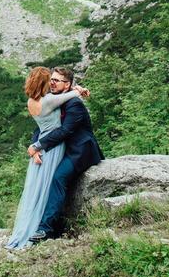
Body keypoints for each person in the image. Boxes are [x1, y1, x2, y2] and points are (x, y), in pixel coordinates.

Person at [6, 66, 85, 250]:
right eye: (49, 80)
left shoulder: (31, 101)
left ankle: (29, 228)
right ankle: (40, 229)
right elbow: (71, 96)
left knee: (36, 189)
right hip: (52, 148)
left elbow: (40, 128)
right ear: (43, 83)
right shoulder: (49, 101)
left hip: (41, 147)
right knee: (47, 186)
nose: (52, 82)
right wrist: (79, 89)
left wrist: (35, 147)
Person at [27, 66, 104, 242]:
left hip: (80, 150)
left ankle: (45, 230)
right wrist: (34, 145)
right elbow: (41, 126)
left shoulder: (74, 104)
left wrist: (39, 146)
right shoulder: (55, 99)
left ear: (67, 84)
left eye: (56, 80)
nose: (52, 83)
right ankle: (50, 225)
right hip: (63, 149)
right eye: (51, 79)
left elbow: (65, 131)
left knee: (58, 178)